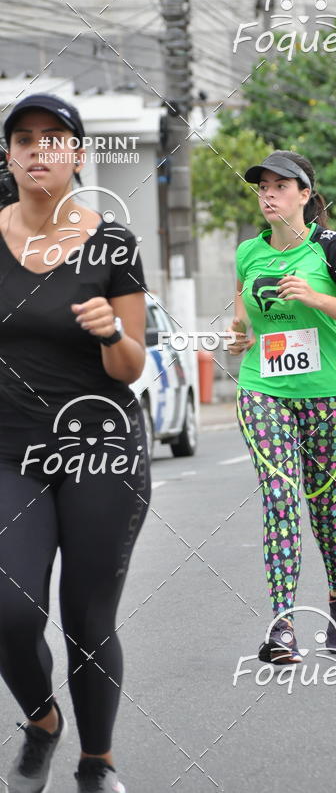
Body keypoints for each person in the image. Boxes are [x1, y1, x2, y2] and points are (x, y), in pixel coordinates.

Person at [0, 94, 149, 793]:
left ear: (78, 154)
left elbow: (131, 365)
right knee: (9, 608)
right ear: (9, 155)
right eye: (24, 138)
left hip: (102, 452)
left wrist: (111, 332)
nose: (39, 149)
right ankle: (42, 720)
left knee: (88, 618)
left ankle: (97, 762)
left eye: (54, 137)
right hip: (10, 453)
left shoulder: (113, 244)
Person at [228, 150, 336, 662]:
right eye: (263, 186)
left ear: (304, 195)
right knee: (279, 496)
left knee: (322, 500)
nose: (269, 194)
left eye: (280, 185)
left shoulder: (331, 248)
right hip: (263, 388)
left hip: (331, 395)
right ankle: (283, 626)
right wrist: (237, 334)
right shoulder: (248, 252)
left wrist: (316, 298)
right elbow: (242, 312)